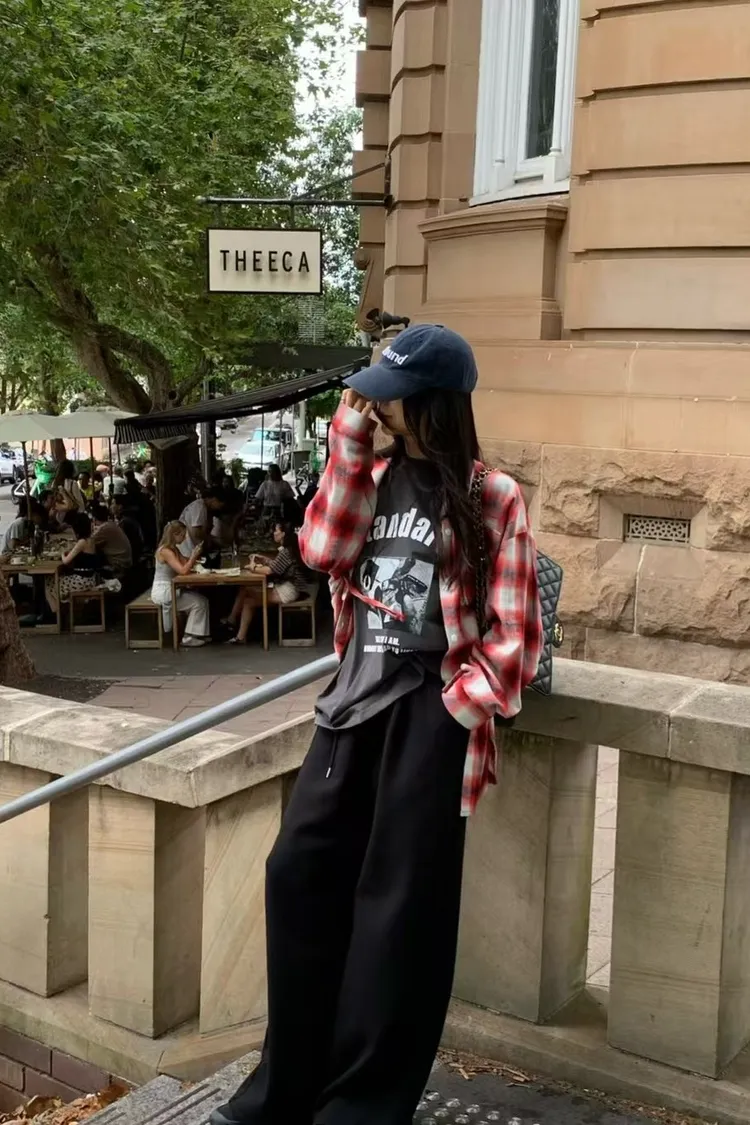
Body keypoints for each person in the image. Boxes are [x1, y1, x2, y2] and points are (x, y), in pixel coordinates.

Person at [210, 324, 543, 1125]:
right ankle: (285, 1086)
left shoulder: (493, 495)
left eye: (391, 397)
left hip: (428, 715)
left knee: (399, 914)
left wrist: (451, 712)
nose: (377, 406)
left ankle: (361, 1105)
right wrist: (347, 445)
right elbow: (321, 549)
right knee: (298, 875)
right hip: (351, 706)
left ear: (433, 404)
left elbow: (516, 640)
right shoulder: (374, 473)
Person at [224, 522, 307, 645]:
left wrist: (253, 567)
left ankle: (231, 620)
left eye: (276, 531)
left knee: (245, 589)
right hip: (290, 588)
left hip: (289, 590)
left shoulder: (286, 551)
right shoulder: (288, 549)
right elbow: (277, 565)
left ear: (283, 534)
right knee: (248, 601)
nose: (274, 533)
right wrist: (265, 560)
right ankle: (240, 637)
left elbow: (269, 571)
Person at [150, 520, 209, 648]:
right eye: (182, 535)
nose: (185, 538)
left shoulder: (174, 549)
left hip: (171, 588)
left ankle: (195, 634)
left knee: (201, 600)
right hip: (164, 592)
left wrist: (195, 557)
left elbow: (185, 562)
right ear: (174, 535)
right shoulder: (165, 551)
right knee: (199, 602)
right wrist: (193, 557)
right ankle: (189, 636)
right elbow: (183, 570)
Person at [45, 511, 103, 615]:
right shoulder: (90, 540)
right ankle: (59, 611)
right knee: (54, 579)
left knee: (49, 582)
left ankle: (56, 613)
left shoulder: (82, 542)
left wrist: (62, 553)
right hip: (90, 579)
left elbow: (66, 561)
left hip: (81, 581)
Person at [178, 488, 225, 560]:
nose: (219, 508)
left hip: (190, 551)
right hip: (187, 551)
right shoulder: (199, 506)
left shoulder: (203, 507)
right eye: (220, 505)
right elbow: (196, 533)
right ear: (214, 499)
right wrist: (201, 551)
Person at [90, 503, 133, 576]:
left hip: (119, 565)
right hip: (125, 561)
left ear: (94, 519)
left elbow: (89, 542)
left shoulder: (104, 528)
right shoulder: (110, 525)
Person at [112, 497, 144, 561]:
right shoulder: (128, 518)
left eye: (113, 503)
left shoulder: (125, 521)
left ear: (120, 506)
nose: (111, 506)